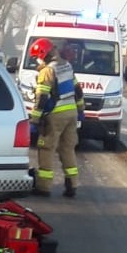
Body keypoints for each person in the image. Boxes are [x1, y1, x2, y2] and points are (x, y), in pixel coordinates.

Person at [28, 38, 85, 198]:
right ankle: (72, 185)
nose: (36, 60)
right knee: (67, 148)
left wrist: (35, 120)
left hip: (55, 114)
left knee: (46, 148)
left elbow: (42, 98)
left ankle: (43, 187)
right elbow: (77, 91)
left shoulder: (47, 71)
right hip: (71, 113)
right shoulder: (67, 66)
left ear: (43, 54)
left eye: (36, 57)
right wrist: (81, 110)